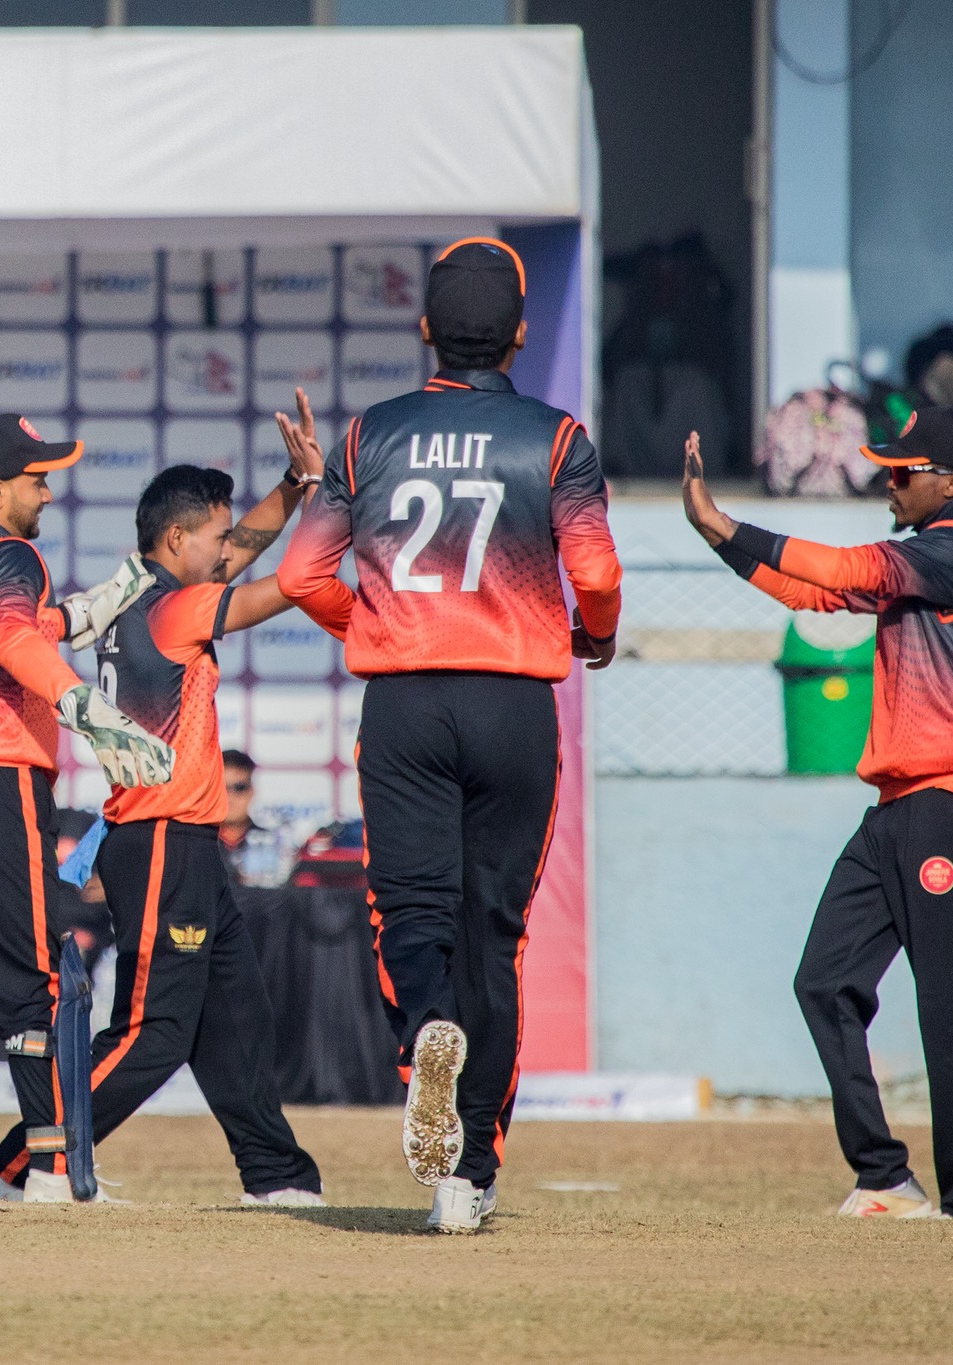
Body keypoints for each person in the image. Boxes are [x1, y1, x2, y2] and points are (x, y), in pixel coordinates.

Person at [276, 238, 623, 1233]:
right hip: (513, 705)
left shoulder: (367, 436)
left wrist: (375, 624)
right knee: (494, 938)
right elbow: (596, 576)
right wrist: (594, 635)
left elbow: (299, 575)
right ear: (519, 335)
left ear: (425, 328)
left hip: (405, 703)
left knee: (412, 915)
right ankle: (470, 1177)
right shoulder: (555, 438)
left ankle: (427, 1029)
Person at [0, 430, 329, 1206]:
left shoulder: (144, 595)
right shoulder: (178, 608)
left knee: (235, 1014)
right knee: (151, 1032)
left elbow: (245, 546)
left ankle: (276, 1175)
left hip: (179, 842)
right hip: (164, 837)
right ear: (176, 540)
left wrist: (295, 486)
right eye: (218, 538)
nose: (230, 549)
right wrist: (332, 513)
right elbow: (285, 586)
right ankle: (16, 1163)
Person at [681, 408, 953, 1221]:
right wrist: (716, 533)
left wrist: (731, 521)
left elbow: (843, 565)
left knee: (952, 1016)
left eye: (904, 471)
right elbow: (815, 589)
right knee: (824, 982)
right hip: (895, 810)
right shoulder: (924, 558)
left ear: (952, 481)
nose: (889, 483)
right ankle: (883, 1175)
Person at [0, 412, 174, 1202]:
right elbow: (16, 640)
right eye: (37, 479)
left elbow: (29, 627)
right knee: (28, 981)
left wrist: (107, 596)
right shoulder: (8, 553)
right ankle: (49, 1172)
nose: (46, 492)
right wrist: (92, 711)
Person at [218, 750, 292, 888]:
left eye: (239, 788)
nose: (230, 797)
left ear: (252, 791)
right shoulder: (198, 843)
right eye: (222, 788)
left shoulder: (273, 843)